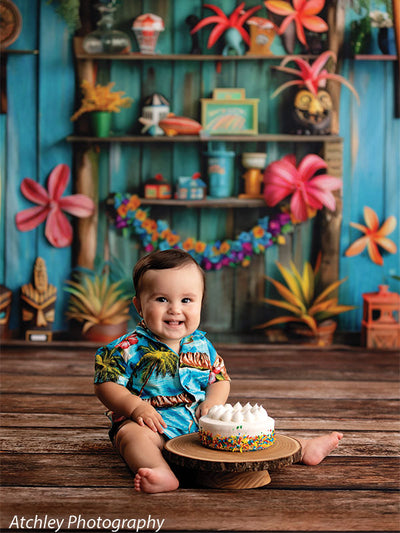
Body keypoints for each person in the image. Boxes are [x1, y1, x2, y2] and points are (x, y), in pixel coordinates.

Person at [94, 249, 342, 494]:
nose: (175, 309)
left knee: (242, 429)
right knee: (131, 437)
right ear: (138, 305)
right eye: (162, 299)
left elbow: (220, 379)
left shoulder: (203, 346)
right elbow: (106, 384)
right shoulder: (127, 348)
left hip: (199, 425)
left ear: (201, 303)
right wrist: (135, 407)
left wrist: (213, 402)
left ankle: (301, 448)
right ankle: (159, 470)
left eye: (186, 300)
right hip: (151, 426)